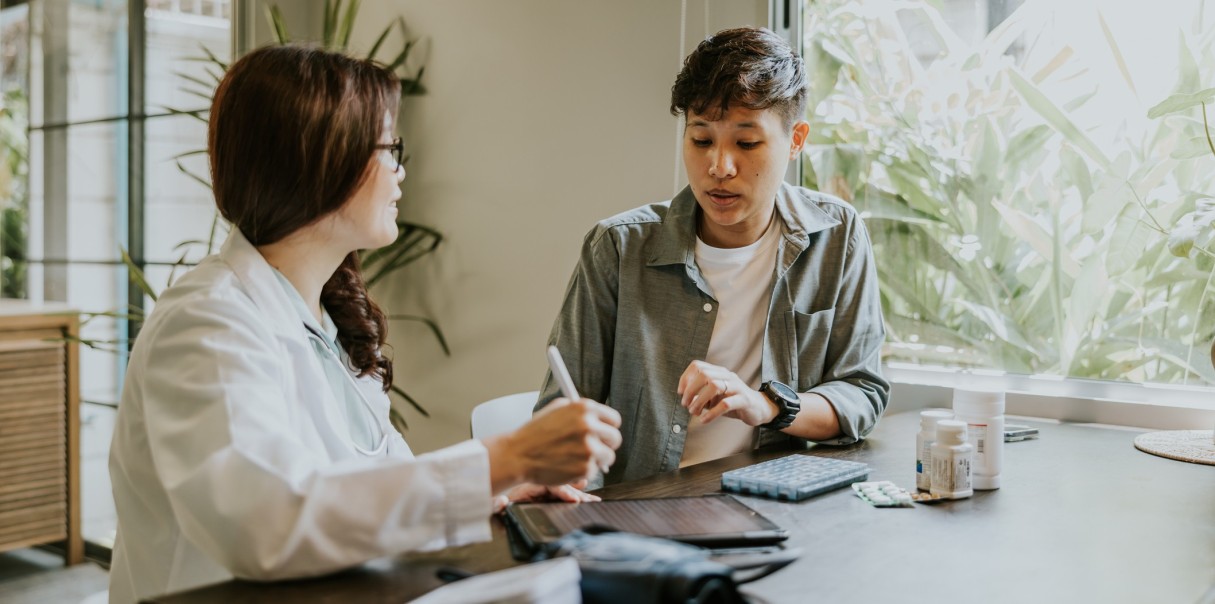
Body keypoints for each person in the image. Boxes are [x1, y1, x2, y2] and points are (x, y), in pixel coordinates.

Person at [108, 44, 621, 604]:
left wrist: (496, 487)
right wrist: (507, 456)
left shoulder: (322, 318)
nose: (401, 170)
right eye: (389, 148)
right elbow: (265, 525)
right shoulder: (206, 323)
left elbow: (362, 492)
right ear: (320, 160)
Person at [538, 27, 888, 487]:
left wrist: (766, 404)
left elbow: (860, 391)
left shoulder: (836, 236)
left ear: (796, 139)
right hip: (646, 512)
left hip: (775, 501)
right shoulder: (618, 247)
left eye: (746, 143)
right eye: (701, 140)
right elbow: (560, 413)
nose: (720, 167)